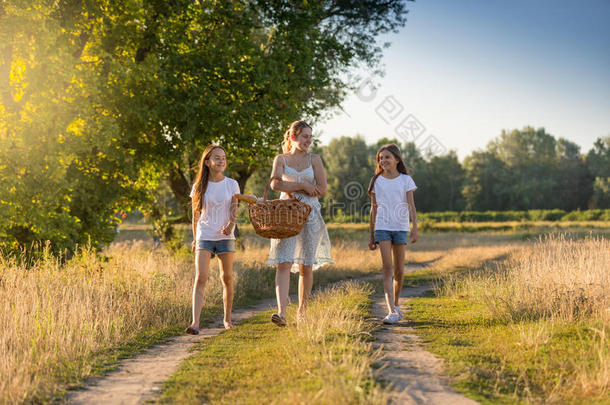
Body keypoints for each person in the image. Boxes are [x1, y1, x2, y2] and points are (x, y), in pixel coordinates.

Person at [266, 120, 334, 326]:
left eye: (310, 137)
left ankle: (302, 312)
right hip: (287, 213)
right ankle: (282, 313)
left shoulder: (315, 159)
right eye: (305, 136)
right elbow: (275, 183)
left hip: (310, 213)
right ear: (294, 137)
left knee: (306, 265)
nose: (309, 141)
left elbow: (322, 189)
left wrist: (298, 187)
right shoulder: (281, 159)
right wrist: (302, 184)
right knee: (284, 262)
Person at [186, 145, 240, 334]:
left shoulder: (232, 184)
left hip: (225, 236)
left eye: (223, 157)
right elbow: (195, 215)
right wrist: (195, 239)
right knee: (200, 278)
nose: (221, 161)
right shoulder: (199, 186)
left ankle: (227, 320)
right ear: (207, 162)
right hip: (205, 235)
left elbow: (234, 209)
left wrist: (230, 226)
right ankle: (195, 323)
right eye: (216, 158)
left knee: (226, 278)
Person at [368, 144, 418, 324]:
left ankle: (396, 304)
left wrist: (415, 228)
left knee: (399, 270)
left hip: (401, 228)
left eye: (387, 157)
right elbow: (373, 209)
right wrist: (371, 234)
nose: (383, 161)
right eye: (381, 158)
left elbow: (411, 205)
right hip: (382, 227)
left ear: (397, 159)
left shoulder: (406, 180)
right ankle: (391, 311)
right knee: (387, 268)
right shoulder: (376, 180)